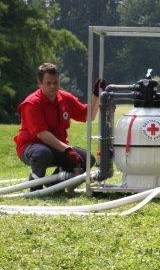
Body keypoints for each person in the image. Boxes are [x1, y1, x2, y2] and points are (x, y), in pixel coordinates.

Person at [13, 63, 105, 191]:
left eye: (55, 82)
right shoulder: (32, 103)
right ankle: (35, 188)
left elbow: (89, 116)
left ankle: (53, 186)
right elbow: (42, 134)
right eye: (48, 83)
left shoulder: (66, 98)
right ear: (40, 84)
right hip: (31, 146)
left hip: (56, 147)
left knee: (87, 160)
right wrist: (67, 149)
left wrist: (97, 95)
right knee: (43, 153)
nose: (53, 86)